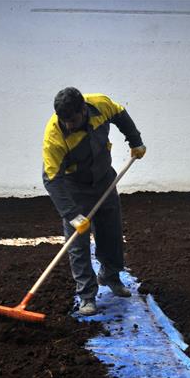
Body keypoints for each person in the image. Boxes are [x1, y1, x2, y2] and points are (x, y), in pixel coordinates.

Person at [42, 87, 146, 316]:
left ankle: (110, 276)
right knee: (77, 244)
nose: (68, 125)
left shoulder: (100, 105)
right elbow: (51, 179)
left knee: (111, 232)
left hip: (104, 179)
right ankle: (87, 296)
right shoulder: (54, 137)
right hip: (75, 188)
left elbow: (120, 114)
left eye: (72, 120)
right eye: (64, 120)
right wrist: (71, 214)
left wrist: (135, 141)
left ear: (83, 110)